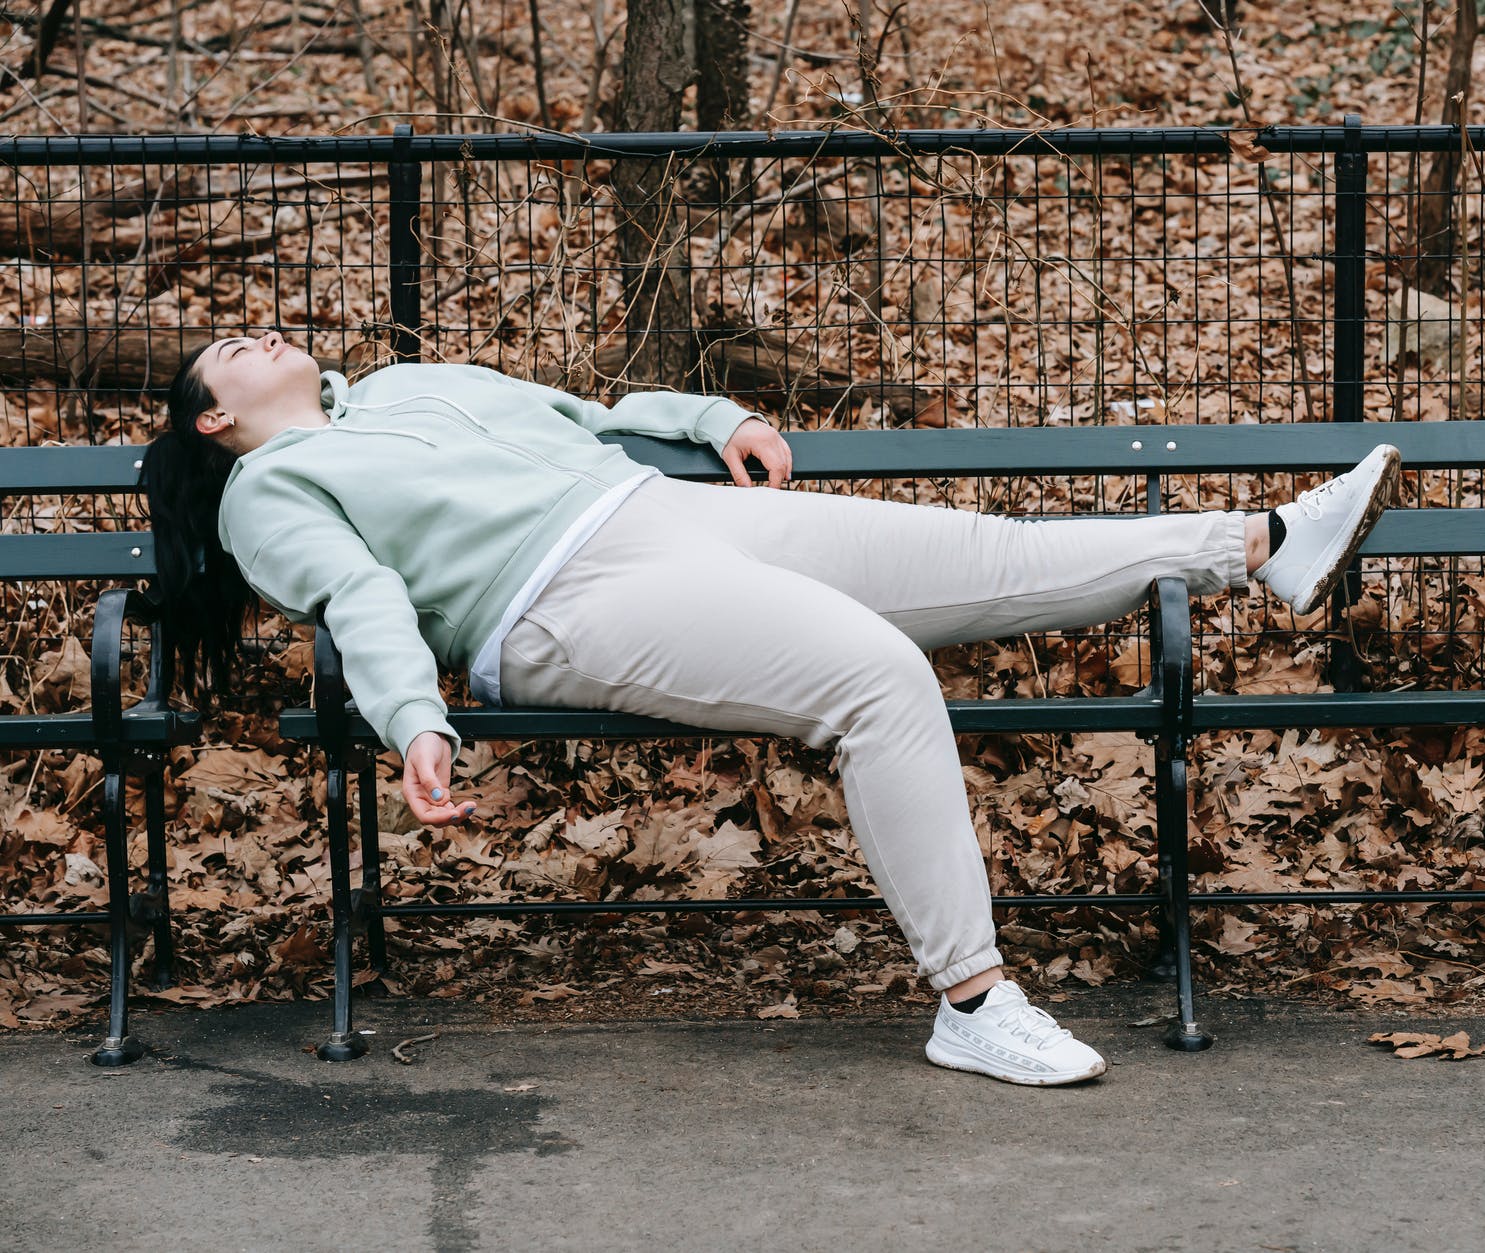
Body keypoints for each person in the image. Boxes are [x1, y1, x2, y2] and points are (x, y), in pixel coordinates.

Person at [139, 329, 1399, 1087]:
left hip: (674, 511)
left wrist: (714, 415)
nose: (258, 339)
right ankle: (974, 1003)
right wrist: (412, 715)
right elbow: (359, 595)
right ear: (218, 417)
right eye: (229, 355)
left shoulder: (413, 382)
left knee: (992, 557)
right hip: (559, 601)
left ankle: (1263, 543)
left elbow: (587, 414)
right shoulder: (270, 488)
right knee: (879, 679)